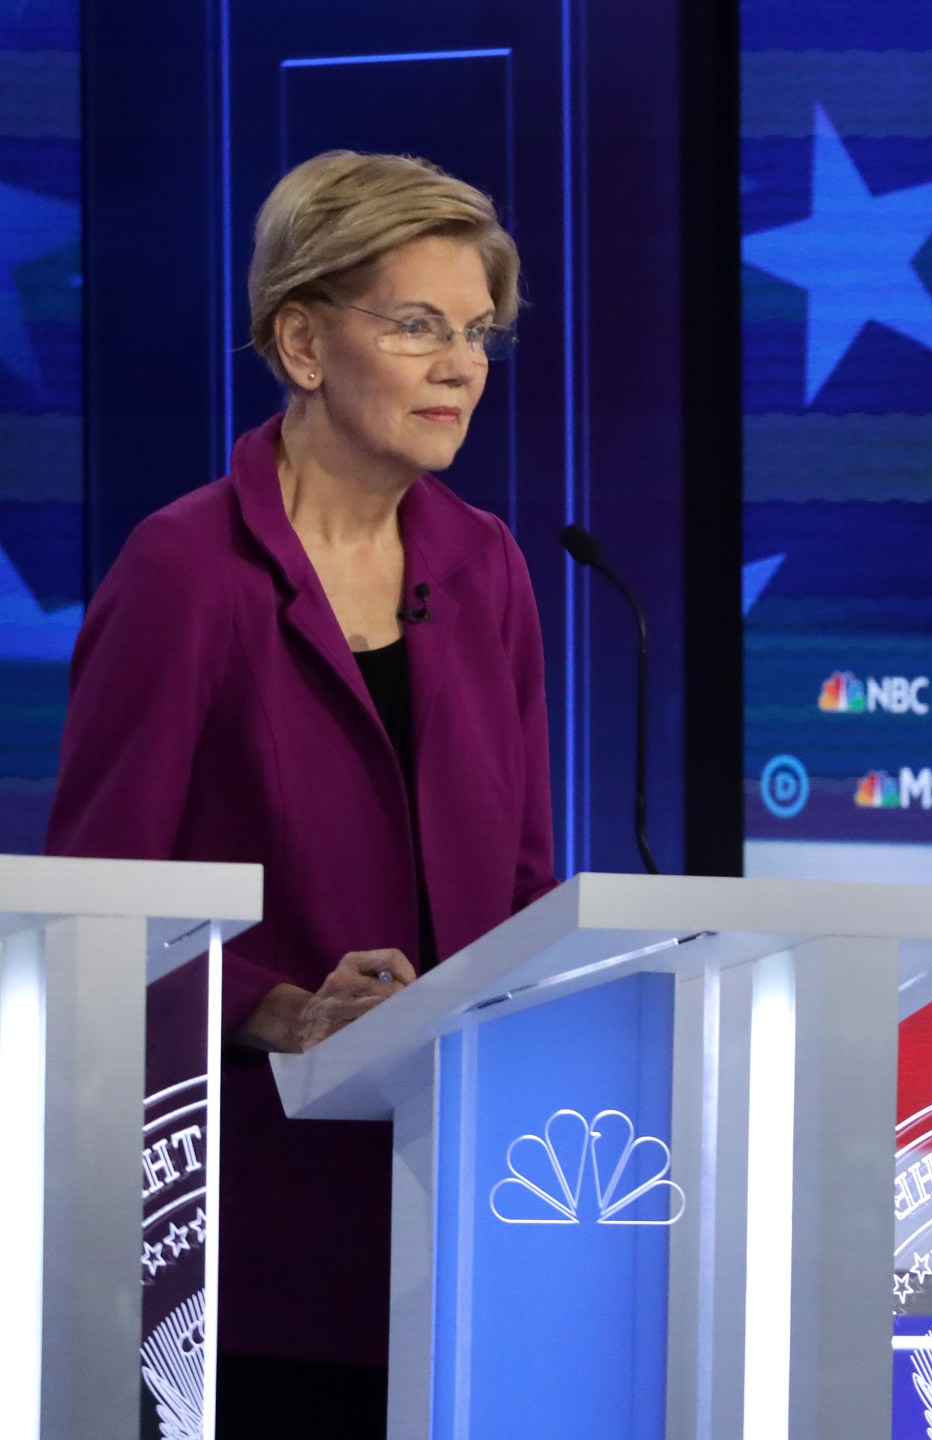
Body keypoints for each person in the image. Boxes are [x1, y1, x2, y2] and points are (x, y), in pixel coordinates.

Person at [48, 150, 554, 1433]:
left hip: (468, 1209)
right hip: (246, 1229)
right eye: (418, 326)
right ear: (304, 342)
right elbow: (95, 911)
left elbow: (525, 880)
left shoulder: (485, 566)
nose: (460, 366)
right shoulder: (183, 573)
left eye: (479, 333)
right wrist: (269, 1006)